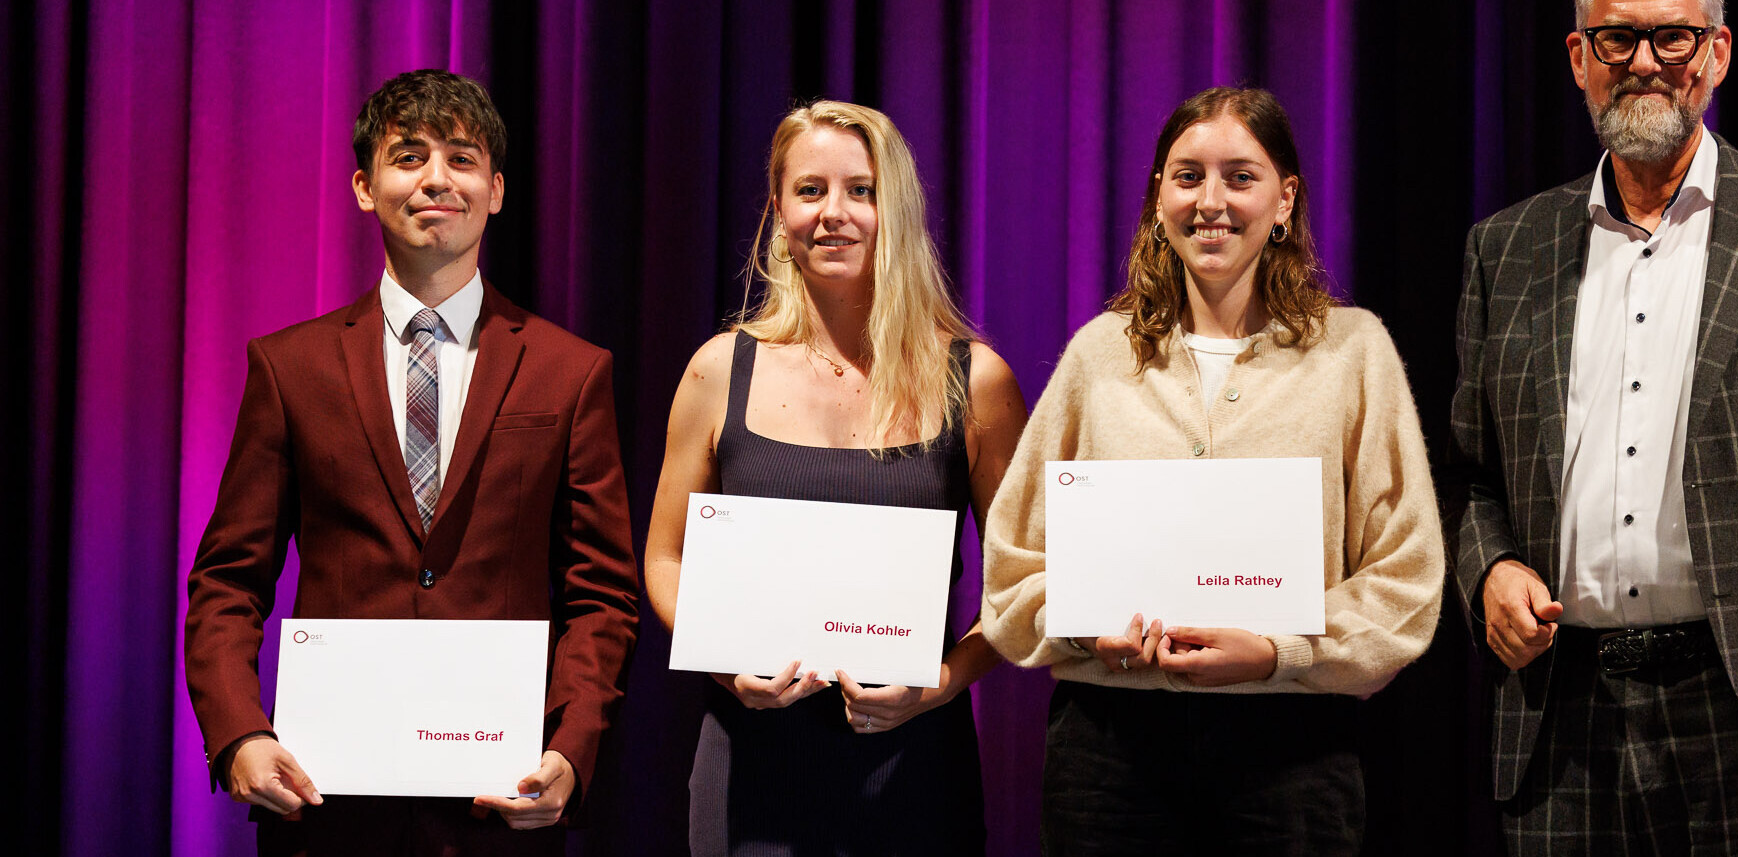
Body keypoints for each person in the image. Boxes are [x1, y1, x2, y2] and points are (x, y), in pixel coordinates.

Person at [1439, 1, 1738, 853]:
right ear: (1578, 56)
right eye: (1617, 38)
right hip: (1565, 719)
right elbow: (1469, 474)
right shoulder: (1505, 248)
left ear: (1718, 51)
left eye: (1672, 36)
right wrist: (1491, 568)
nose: (1644, 62)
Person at [183, 69, 643, 855]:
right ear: (365, 188)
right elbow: (228, 580)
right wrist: (238, 735)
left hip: (497, 810)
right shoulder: (290, 367)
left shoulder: (570, 371)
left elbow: (601, 593)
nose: (437, 179)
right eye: (409, 157)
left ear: (496, 191)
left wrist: (570, 749)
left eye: (462, 159)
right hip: (328, 810)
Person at [981, 87, 1445, 856]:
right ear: (1158, 196)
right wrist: (1087, 627)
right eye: (1188, 176)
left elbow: (1406, 575)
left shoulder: (1353, 352)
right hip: (1109, 754)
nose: (1211, 201)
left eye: (1241, 177)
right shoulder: (1099, 354)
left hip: (1292, 749)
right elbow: (1013, 563)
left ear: (1285, 199)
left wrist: (1281, 651)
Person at [644, 100, 1027, 856]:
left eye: (861, 190)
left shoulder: (975, 381)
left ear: (898, 210)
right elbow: (665, 557)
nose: (833, 214)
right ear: (778, 210)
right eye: (810, 190)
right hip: (751, 769)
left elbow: (1026, 579)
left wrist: (943, 682)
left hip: (913, 770)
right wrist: (722, 665)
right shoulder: (718, 370)